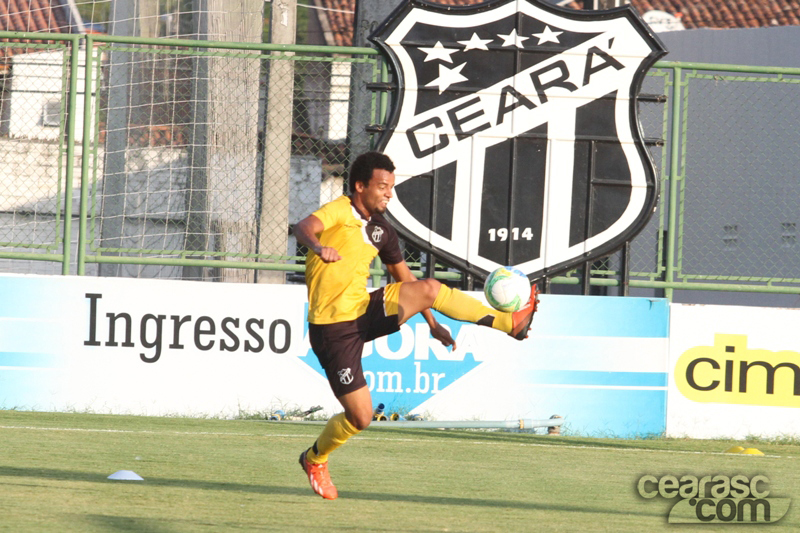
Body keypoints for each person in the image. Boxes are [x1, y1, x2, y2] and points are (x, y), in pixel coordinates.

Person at [293, 151, 539, 500]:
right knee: (360, 417)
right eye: (382, 187)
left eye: (391, 187)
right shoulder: (338, 211)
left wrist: (432, 322)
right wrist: (319, 247)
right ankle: (314, 458)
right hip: (332, 329)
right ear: (360, 186)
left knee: (429, 288)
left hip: (363, 310)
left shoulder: (382, 231)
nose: (389, 194)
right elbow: (303, 227)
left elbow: (405, 279)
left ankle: (509, 322)